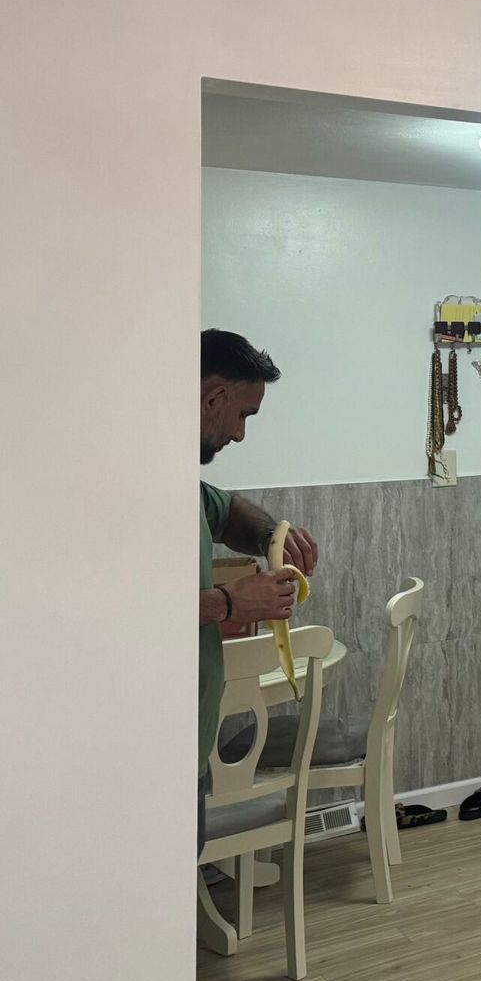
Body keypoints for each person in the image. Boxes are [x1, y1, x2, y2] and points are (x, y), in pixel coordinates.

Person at [197, 329, 321, 852]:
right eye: (244, 415)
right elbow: (115, 610)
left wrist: (273, 535)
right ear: (215, 398)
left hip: (187, 747)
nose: (241, 434)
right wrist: (230, 603)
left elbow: (228, 513)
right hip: (141, 753)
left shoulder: (182, 484)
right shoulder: (134, 483)